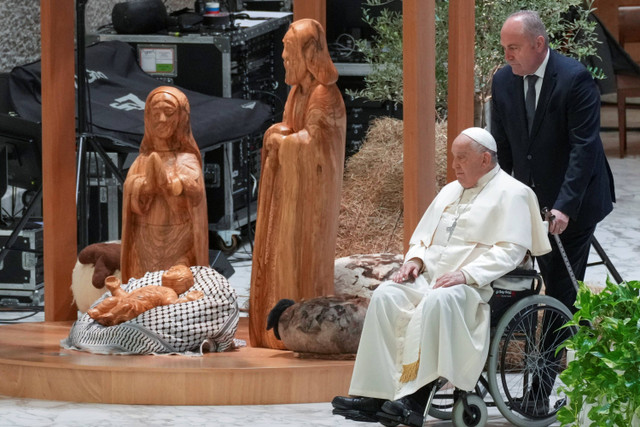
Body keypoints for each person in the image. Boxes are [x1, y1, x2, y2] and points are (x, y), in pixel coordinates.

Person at [332, 128, 551, 426]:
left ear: (485, 159)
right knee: (387, 294)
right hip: (431, 280)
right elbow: (422, 238)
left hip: (478, 289)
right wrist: (415, 261)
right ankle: (376, 394)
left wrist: (466, 274)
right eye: (453, 158)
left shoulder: (515, 193)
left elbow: (510, 252)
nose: (454, 165)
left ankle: (416, 398)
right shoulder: (450, 190)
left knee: (439, 299)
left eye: (462, 158)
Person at [491, 10, 615, 313]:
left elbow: (583, 149)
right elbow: (503, 147)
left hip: (576, 198)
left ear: (539, 43)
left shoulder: (575, 79)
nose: (507, 55)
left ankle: (548, 358)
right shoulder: (503, 81)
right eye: (504, 47)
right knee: (537, 275)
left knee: (560, 281)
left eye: (514, 47)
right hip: (534, 198)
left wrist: (565, 206)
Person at [249, 19, 346, 348]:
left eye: (289, 52)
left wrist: (286, 141)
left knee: (300, 265)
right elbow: (293, 131)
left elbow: (318, 148)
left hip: (310, 204)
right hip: (290, 196)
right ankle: (273, 328)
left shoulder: (324, 95)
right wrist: (277, 134)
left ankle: (299, 331)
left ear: (309, 55)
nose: (284, 58)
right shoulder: (297, 92)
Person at [120, 86, 209, 283]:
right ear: (147, 118)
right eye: (155, 113)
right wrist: (143, 187)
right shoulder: (141, 160)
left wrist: (173, 185)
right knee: (144, 286)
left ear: (181, 118)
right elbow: (129, 192)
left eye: (168, 113)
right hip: (145, 239)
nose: (161, 119)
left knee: (176, 285)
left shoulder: (187, 158)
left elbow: (196, 193)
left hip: (179, 240)